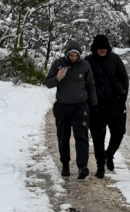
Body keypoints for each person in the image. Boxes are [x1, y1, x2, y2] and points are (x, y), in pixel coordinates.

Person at [45, 39, 98, 180]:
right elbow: (48, 83)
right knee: (63, 137)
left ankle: (82, 166)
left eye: (76, 55)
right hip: (62, 107)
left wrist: (94, 105)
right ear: (67, 54)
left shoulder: (85, 65)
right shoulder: (58, 64)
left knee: (81, 137)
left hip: (81, 107)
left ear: (80, 54)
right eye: (71, 55)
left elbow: (91, 85)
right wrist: (58, 77)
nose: (74, 58)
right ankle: (65, 164)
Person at [84, 34, 129, 179]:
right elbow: (83, 83)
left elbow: (124, 78)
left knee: (119, 132)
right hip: (96, 106)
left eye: (104, 47)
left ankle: (109, 154)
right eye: (99, 47)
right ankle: (100, 166)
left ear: (107, 47)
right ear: (95, 48)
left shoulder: (115, 59)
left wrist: (122, 99)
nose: (102, 50)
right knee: (98, 137)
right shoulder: (88, 62)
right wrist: (89, 103)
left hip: (115, 103)